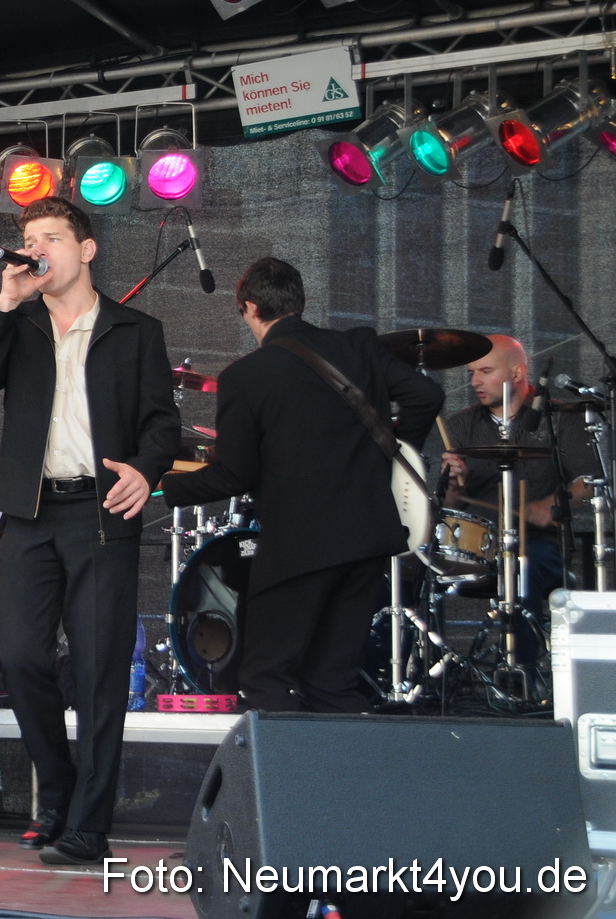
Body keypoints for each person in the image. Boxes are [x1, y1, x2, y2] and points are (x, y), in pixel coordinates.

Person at [0, 196, 177, 866]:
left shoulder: (134, 329)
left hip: (101, 510)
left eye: (51, 235)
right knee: (20, 656)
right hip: (29, 511)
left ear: (86, 249)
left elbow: (161, 423)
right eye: (29, 237)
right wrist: (3, 302)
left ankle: (88, 823)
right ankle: (55, 794)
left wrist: (143, 468)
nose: (37, 246)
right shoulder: (18, 323)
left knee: (98, 668)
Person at [162, 258, 443, 718]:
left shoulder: (246, 377)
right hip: (367, 537)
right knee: (331, 681)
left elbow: (234, 475)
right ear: (298, 301)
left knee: (265, 677)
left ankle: (284, 785)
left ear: (250, 307)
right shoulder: (359, 347)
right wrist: (396, 451)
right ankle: (344, 783)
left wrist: (164, 487)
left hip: (298, 545)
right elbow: (426, 395)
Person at [442, 335, 596, 654]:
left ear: (516, 373)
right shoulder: (459, 425)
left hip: (539, 545)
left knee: (522, 565)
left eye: (485, 371)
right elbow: (447, 508)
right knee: (411, 568)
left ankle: (520, 668)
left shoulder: (561, 419)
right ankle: (423, 676)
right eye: (471, 373)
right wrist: (456, 486)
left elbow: (590, 481)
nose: (475, 381)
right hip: (477, 546)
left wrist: (551, 505)